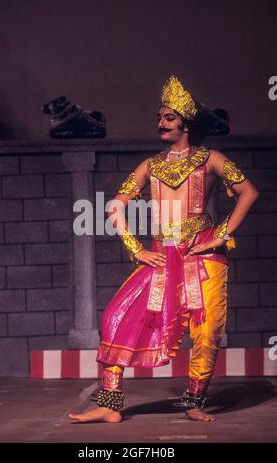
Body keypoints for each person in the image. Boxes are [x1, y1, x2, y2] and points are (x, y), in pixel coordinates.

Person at [69, 75, 259, 423]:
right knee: (116, 317)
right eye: (160, 117)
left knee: (206, 331)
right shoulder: (151, 165)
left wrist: (222, 234)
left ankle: (193, 403)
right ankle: (109, 405)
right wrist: (134, 248)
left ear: (185, 123)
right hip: (159, 255)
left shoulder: (211, 159)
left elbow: (249, 192)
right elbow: (116, 205)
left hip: (203, 255)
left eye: (168, 117)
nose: (161, 123)